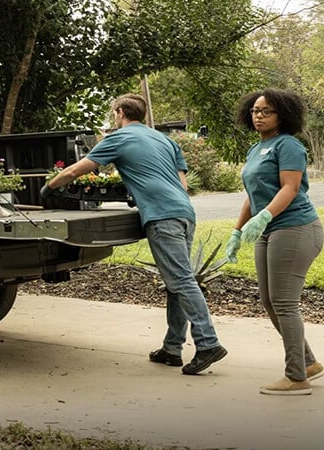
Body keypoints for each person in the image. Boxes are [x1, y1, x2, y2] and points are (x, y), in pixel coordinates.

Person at [40, 93, 227, 375]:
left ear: (120, 111)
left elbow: (80, 169)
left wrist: (50, 187)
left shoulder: (119, 138)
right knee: (176, 281)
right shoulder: (166, 140)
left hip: (162, 216)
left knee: (181, 281)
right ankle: (172, 348)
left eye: (114, 113)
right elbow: (182, 184)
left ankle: (208, 343)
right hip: (184, 212)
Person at [228, 88, 323, 395]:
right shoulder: (256, 149)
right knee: (269, 301)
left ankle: (296, 377)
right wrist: (237, 230)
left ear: (283, 114)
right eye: (255, 110)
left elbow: (290, 188)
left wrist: (265, 216)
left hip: (295, 227)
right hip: (269, 230)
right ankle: (307, 362)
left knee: (284, 302)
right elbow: (251, 195)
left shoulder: (289, 145)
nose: (259, 116)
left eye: (266, 111)